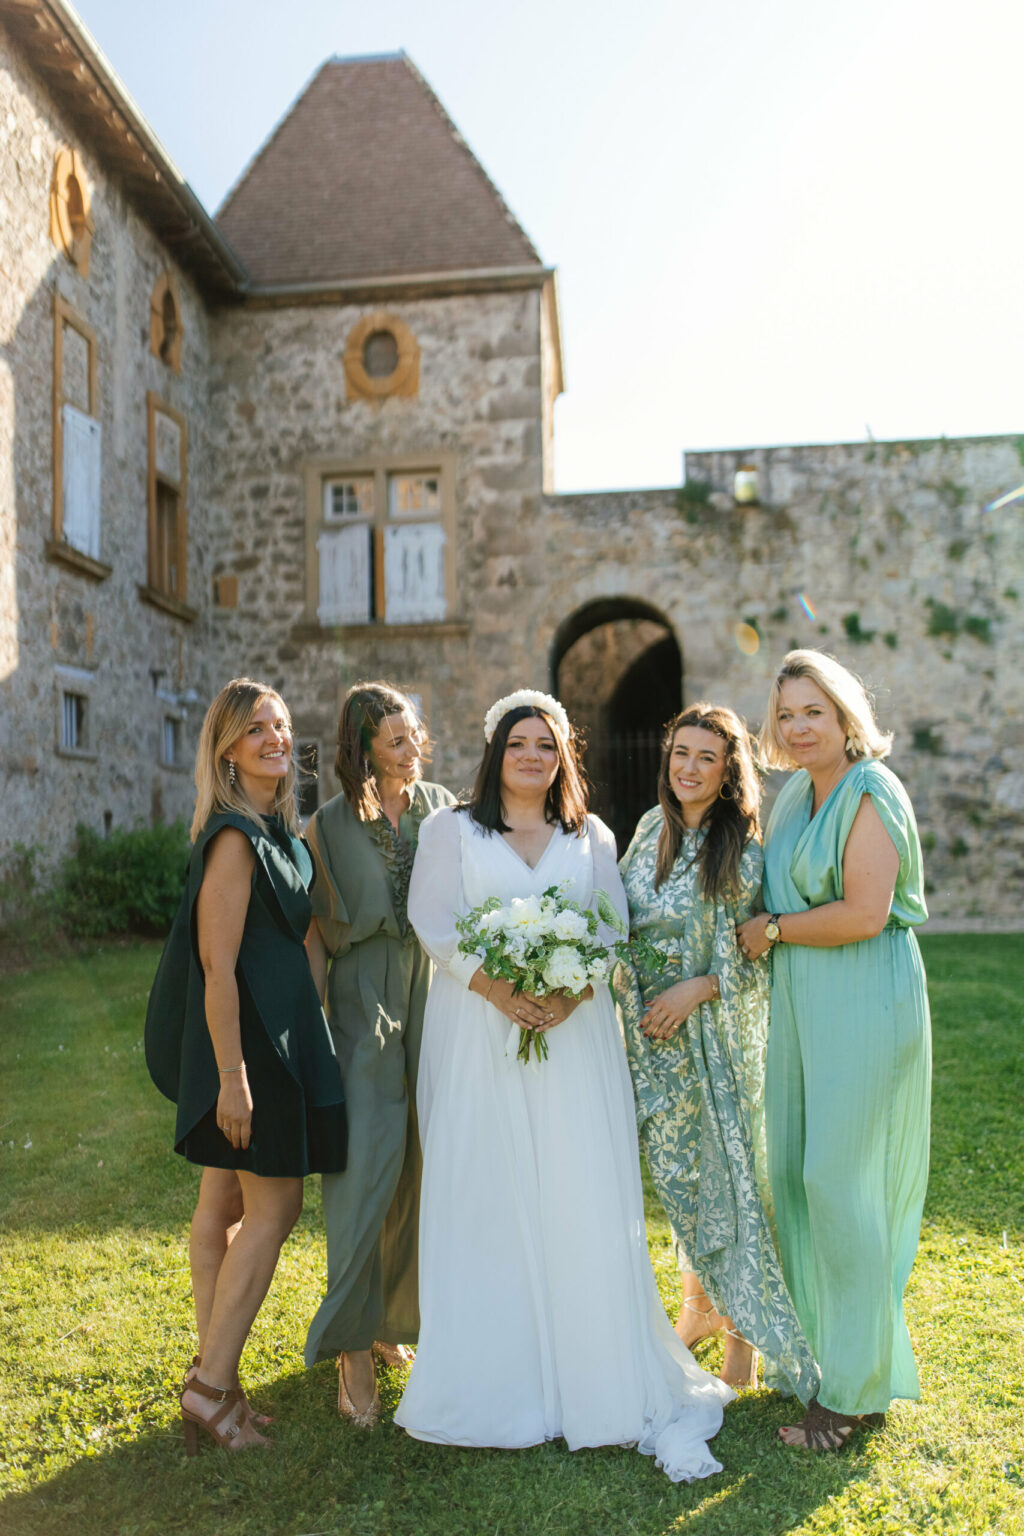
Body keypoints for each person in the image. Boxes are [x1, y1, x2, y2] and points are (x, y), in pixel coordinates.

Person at [394, 689, 731, 1482]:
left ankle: (591, 1372)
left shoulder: (591, 835)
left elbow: (611, 927)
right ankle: (496, 1380)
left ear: (562, 757)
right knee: (488, 1188)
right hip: (478, 1032)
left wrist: (573, 990)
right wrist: (501, 992)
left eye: (547, 745)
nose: (533, 757)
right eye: (519, 743)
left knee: (575, 1194)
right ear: (495, 752)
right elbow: (432, 921)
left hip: (573, 1038)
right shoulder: (452, 830)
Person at [736, 650, 931, 1451]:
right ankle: (837, 1359)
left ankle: (850, 1397)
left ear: (846, 713)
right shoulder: (790, 801)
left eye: (812, 710)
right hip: (803, 1004)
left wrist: (773, 931)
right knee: (795, 1177)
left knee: (837, 1181)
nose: (797, 726)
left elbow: (862, 911)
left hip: (863, 994)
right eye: (785, 714)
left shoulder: (871, 790)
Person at [145, 678, 346, 1454]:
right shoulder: (233, 836)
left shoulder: (277, 833)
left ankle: (217, 1380)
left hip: (281, 1041)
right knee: (275, 1211)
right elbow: (216, 964)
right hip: (251, 1050)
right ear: (227, 748)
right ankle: (208, 1389)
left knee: (223, 1211)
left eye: (283, 726)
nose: (275, 738)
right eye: (257, 728)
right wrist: (233, 1077)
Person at [615, 704, 819, 1404]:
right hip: (651, 1041)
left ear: (729, 769)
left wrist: (696, 989)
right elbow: (619, 919)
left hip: (715, 1038)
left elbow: (754, 949)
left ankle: (743, 1344)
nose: (688, 768)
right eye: (680, 754)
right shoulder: (649, 832)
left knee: (733, 1181)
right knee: (681, 1179)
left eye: (705, 757)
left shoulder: (744, 847)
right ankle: (700, 1306)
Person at [303, 682, 454, 1427]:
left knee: (420, 1166)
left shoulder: (441, 807)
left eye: (414, 734)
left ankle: (395, 1319)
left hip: (435, 991)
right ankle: (351, 1343)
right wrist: (312, 1026)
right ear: (362, 749)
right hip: (363, 997)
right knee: (364, 1170)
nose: (411, 748)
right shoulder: (326, 826)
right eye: (395, 739)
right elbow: (312, 934)